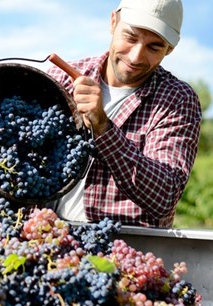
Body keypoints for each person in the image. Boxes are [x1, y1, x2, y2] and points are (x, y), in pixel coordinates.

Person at [46, 0, 202, 227]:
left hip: (122, 251)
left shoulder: (176, 100)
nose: (136, 56)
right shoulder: (61, 79)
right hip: (45, 243)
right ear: (113, 22)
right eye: (130, 37)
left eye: (154, 47)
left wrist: (103, 127)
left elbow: (164, 195)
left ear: (170, 49)